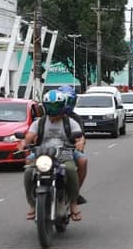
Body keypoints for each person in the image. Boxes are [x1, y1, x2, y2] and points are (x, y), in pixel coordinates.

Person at [22, 89, 85, 222]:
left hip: (64, 153)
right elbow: (28, 137)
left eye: (56, 106)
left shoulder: (70, 122)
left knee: (70, 170)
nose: (53, 110)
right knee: (28, 171)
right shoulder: (39, 123)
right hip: (42, 154)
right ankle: (32, 204)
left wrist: (80, 143)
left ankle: (73, 203)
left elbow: (80, 137)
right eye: (50, 106)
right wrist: (24, 143)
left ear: (62, 106)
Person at [58, 84, 88, 205]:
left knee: (82, 162)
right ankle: (34, 201)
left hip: (68, 151)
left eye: (70, 100)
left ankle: (74, 194)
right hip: (48, 150)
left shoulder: (75, 119)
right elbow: (35, 135)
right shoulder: (45, 118)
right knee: (30, 168)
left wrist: (80, 144)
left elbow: (81, 137)